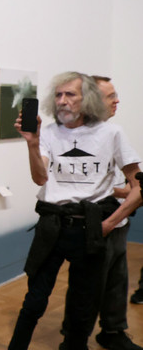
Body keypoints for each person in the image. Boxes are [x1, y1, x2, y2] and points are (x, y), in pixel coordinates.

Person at [8, 71, 142, 350]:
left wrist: (110, 223)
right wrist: (32, 143)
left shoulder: (111, 133)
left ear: (87, 99)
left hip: (91, 227)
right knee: (33, 300)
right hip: (53, 225)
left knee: (84, 303)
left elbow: (138, 185)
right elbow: (40, 178)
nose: (62, 101)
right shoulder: (48, 132)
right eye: (58, 95)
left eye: (70, 94)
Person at [69, 75, 141, 350]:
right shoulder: (72, 137)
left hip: (115, 221)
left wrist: (118, 200)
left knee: (116, 281)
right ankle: (73, 338)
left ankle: (112, 331)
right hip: (93, 223)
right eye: (110, 96)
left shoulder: (112, 133)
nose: (117, 100)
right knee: (86, 287)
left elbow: (121, 184)